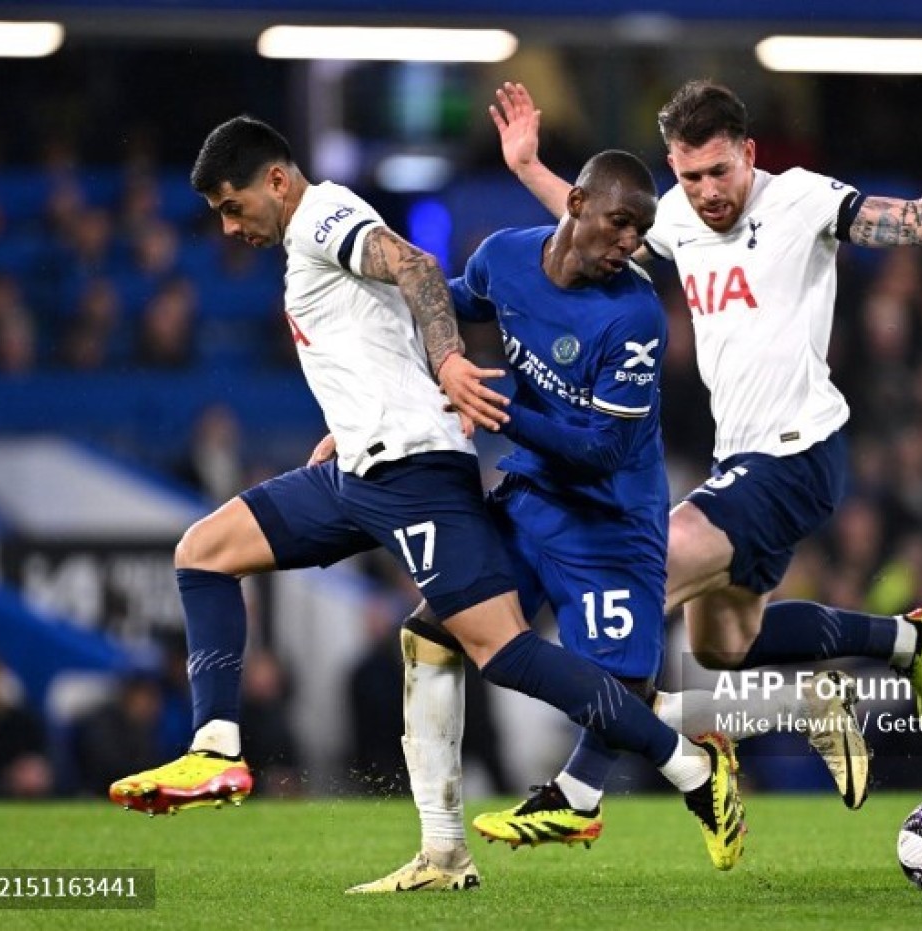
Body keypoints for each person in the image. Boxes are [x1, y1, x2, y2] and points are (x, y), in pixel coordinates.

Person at [105, 116, 745, 878]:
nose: (229, 225)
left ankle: (688, 765)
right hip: (361, 466)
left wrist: (446, 367)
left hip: (418, 472)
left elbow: (413, 268)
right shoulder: (336, 240)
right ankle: (221, 751)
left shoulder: (324, 218)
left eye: (232, 205)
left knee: (500, 649)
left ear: (275, 180)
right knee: (204, 553)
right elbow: (396, 312)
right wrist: (354, 418)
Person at [444, 74, 922, 842]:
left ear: (749, 154)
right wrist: (528, 165)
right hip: (740, 461)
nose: (706, 192)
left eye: (719, 172)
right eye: (690, 175)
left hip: (797, 456)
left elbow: (917, 222)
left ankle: (579, 793)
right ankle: (909, 641)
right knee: (724, 645)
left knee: (640, 577)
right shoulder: (677, 217)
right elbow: (595, 220)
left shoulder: (800, 199)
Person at [354, 150, 864, 893]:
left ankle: (762, 723)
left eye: (640, 231)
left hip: (610, 523)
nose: (629, 243)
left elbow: (603, 450)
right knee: (433, 633)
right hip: (531, 500)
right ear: (577, 204)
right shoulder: (504, 257)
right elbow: (452, 305)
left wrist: (498, 411)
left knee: (623, 699)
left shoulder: (633, 315)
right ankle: (444, 852)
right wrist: (370, 348)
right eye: (620, 223)